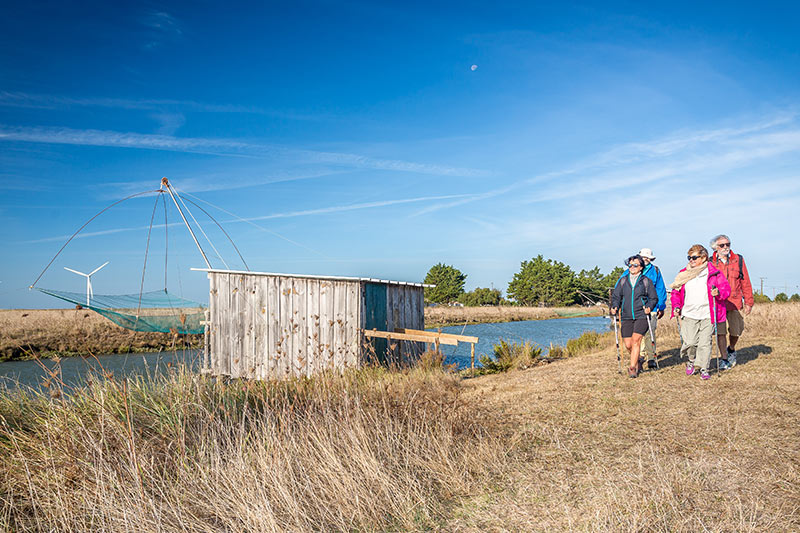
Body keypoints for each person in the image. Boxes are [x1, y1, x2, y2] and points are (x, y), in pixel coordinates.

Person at [670, 245, 731, 380]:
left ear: (703, 258)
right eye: (689, 257)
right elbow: (675, 292)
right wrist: (676, 306)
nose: (691, 260)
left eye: (694, 257)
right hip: (689, 313)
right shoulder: (684, 273)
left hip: (708, 314)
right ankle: (691, 360)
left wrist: (718, 293)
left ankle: (704, 368)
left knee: (705, 343)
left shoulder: (714, 273)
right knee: (690, 342)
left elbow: (726, 290)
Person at [709, 234, 754, 369]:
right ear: (716, 247)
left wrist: (748, 301)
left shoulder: (738, 260)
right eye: (722, 245)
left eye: (728, 244)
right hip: (719, 302)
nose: (726, 247)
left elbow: (745, 281)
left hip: (734, 301)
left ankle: (731, 349)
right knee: (720, 332)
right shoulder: (710, 262)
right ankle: (724, 359)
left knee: (736, 331)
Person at [611, 254, 659, 378]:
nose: (632, 267)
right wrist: (614, 306)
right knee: (628, 344)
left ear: (641, 267)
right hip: (626, 315)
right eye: (630, 265)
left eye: (635, 265)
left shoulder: (645, 281)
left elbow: (654, 298)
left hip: (641, 315)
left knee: (636, 340)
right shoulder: (623, 281)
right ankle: (637, 360)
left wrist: (649, 307)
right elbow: (616, 297)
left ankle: (632, 368)